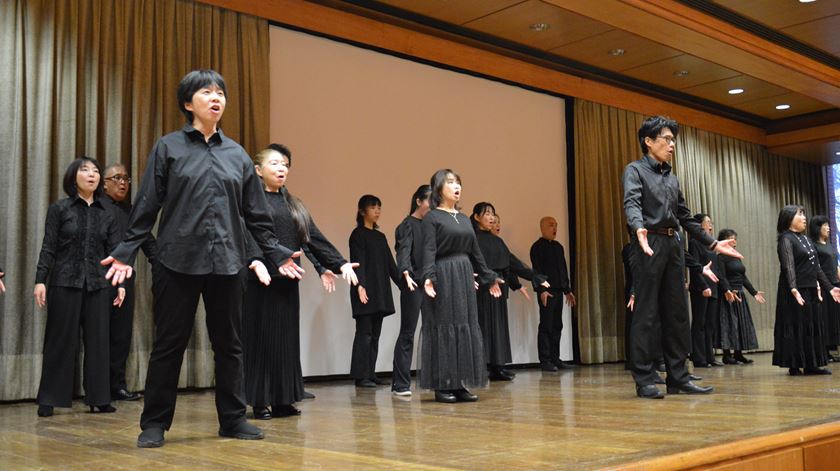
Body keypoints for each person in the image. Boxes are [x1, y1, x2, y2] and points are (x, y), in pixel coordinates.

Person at [101, 69, 304, 448]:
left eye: (221, 93)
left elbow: (256, 214)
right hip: (177, 260)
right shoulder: (169, 147)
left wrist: (275, 252)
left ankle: (232, 419)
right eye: (207, 92)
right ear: (187, 102)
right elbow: (147, 205)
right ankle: (155, 424)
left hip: (228, 261)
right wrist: (126, 250)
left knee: (230, 345)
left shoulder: (238, 155)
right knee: (168, 344)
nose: (216, 98)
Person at [622, 115, 741, 399]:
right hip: (648, 241)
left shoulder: (672, 178)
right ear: (648, 141)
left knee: (677, 313)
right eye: (666, 138)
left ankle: (678, 377)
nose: (672, 144)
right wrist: (638, 228)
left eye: (673, 139)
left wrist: (714, 244)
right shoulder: (635, 170)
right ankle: (644, 378)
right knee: (647, 313)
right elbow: (631, 202)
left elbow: (686, 218)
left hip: (673, 244)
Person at [243, 144, 358, 419]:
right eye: (274, 163)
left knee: (285, 340)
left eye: (284, 164)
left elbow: (313, 237)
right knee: (261, 340)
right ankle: (260, 401)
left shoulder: (293, 203)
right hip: (259, 280)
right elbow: (246, 235)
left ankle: (283, 399)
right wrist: (257, 261)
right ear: (258, 170)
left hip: (287, 281)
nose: (281, 168)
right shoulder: (250, 202)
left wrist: (338, 263)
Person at [34, 157, 126, 417]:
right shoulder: (60, 209)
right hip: (64, 281)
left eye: (96, 171)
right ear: (73, 177)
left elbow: (114, 252)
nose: (92, 175)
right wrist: (40, 279)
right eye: (85, 170)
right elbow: (48, 247)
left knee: (99, 342)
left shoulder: (106, 213)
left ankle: (99, 398)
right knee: (59, 341)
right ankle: (49, 398)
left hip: (98, 284)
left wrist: (121, 284)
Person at [420, 169, 503, 403]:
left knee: (464, 325)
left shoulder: (465, 219)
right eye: (450, 183)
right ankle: (443, 384)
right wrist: (429, 276)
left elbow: (475, 252)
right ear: (438, 189)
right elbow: (428, 250)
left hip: (464, 274)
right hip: (444, 274)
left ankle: (459, 383)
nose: (456, 187)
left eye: (458, 183)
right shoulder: (432, 218)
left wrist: (488, 277)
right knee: (445, 325)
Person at [101, 163, 158, 402]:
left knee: (121, 336)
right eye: (116, 178)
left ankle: (117, 385)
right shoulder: (96, 208)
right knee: (98, 335)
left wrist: (164, 265)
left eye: (126, 178)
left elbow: (149, 244)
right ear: (104, 183)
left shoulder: (133, 213)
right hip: (97, 279)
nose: (123, 182)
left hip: (125, 280)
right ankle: (97, 388)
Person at [472, 202, 548, 381]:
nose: (491, 218)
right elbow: (476, 264)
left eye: (493, 214)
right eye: (487, 214)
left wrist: (534, 276)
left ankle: (497, 366)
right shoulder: (473, 239)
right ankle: (481, 367)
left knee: (498, 327)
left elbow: (512, 262)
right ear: (476, 217)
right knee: (482, 327)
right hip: (482, 289)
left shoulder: (497, 241)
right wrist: (489, 279)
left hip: (499, 288)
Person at [774, 206, 840, 376]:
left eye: (804, 214)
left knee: (811, 325)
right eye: (800, 214)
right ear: (789, 218)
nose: (804, 217)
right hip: (794, 290)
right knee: (796, 325)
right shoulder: (786, 239)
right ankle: (794, 364)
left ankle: (811, 364)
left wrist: (830, 288)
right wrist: (794, 289)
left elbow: (817, 268)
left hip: (810, 289)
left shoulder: (807, 240)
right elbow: (788, 267)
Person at [349, 194, 400, 388]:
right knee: (365, 334)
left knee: (375, 334)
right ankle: (361, 376)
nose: (377, 211)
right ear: (362, 211)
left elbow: (390, 264)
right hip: (364, 290)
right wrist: (359, 285)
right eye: (373, 207)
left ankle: (370, 373)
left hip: (379, 292)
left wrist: (403, 284)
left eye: (379, 207)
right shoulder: (358, 234)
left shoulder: (380, 236)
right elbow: (357, 261)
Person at [391, 185, 431, 396]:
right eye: (429, 201)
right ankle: (400, 383)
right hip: (413, 283)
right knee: (408, 332)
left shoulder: (431, 226)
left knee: (432, 332)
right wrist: (405, 272)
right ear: (418, 201)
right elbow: (404, 250)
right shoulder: (407, 225)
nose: (431, 206)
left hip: (430, 284)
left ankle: (434, 379)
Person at [530, 216, 576, 371]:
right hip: (546, 292)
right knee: (546, 325)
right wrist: (541, 290)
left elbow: (563, 270)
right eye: (551, 225)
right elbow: (536, 271)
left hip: (558, 291)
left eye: (556, 225)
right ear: (542, 228)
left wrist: (568, 290)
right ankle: (545, 360)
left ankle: (555, 358)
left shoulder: (558, 247)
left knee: (557, 325)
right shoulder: (537, 247)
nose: (554, 228)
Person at [716, 229, 764, 364]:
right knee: (729, 324)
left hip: (740, 293)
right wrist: (728, 290)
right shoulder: (720, 257)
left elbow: (743, 277)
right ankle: (727, 355)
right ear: (724, 240)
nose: (734, 241)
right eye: (731, 238)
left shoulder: (736, 257)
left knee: (741, 324)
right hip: (729, 295)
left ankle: (738, 354)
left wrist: (754, 292)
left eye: (735, 238)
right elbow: (721, 276)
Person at [688, 213, 729, 368]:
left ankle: (709, 357)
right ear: (699, 226)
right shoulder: (694, 243)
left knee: (710, 324)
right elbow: (695, 268)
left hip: (714, 289)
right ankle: (699, 358)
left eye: (711, 222)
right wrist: (704, 286)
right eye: (707, 222)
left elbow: (717, 270)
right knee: (700, 323)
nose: (711, 225)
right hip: (701, 288)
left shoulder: (711, 245)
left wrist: (725, 289)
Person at [808, 215, 840, 362]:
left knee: (835, 319)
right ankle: (824, 351)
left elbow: (836, 265)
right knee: (825, 319)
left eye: (828, 225)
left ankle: (833, 348)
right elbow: (815, 268)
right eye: (825, 225)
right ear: (817, 228)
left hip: (835, 285)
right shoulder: (813, 245)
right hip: (824, 287)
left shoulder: (829, 245)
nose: (828, 228)